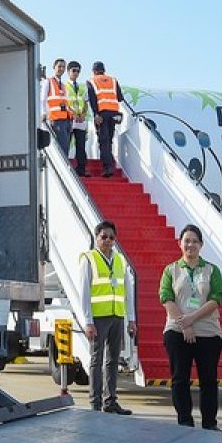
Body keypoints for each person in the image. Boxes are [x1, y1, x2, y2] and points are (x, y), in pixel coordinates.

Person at [159, 225, 222, 430]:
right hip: (177, 331)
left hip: (208, 330)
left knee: (208, 380)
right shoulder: (171, 270)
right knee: (180, 379)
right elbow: (166, 298)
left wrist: (192, 319)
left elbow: (216, 299)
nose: (190, 245)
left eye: (195, 241)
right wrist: (184, 324)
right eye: (186, 240)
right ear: (179, 243)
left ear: (201, 245)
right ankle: (184, 422)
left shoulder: (211, 269)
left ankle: (209, 424)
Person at [79, 221, 136, 414]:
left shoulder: (120, 260)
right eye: (104, 236)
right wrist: (88, 321)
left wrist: (131, 319)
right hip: (98, 318)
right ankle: (95, 403)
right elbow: (84, 292)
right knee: (97, 359)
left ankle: (110, 401)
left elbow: (128, 291)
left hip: (117, 316)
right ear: (96, 238)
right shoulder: (89, 259)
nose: (108, 240)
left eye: (111, 237)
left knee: (113, 360)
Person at [86, 61, 124, 177]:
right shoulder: (113, 80)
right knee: (109, 139)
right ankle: (109, 164)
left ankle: (108, 167)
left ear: (94, 71)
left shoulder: (91, 81)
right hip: (114, 113)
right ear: (104, 70)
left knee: (103, 140)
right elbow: (120, 97)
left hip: (102, 114)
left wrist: (96, 114)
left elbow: (92, 100)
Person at [65, 61, 91, 177]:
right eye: (73, 70)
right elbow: (64, 102)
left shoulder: (82, 87)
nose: (76, 73)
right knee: (66, 143)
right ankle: (66, 168)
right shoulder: (64, 85)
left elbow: (86, 102)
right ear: (68, 71)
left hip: (80, 120)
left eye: (78, 71)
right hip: (69, 118)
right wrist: (73, 114)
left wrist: (83, 114)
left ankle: (81, 169)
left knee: (81, 145)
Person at [42, 58, 73, 155]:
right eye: (59, 66)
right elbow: (42, 99)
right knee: (63, 145)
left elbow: (66, 102)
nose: (61, 69)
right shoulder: (49, 81)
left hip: (67, 119)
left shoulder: (63, 85)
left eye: (63, 67)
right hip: (56, 119)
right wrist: (43, 113)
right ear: (54, 67)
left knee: (66, 145)